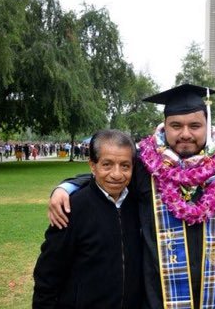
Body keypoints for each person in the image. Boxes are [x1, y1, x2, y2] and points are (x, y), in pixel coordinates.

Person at [48, 84, 215, 309]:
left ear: (207, 125)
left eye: (195, 125)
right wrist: (66, 187)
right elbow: (112, 175)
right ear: (164, 126)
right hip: (159, 299)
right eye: (176, 125)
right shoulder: (146, 164)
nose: (186, 134)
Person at [33, 129, 142, 309]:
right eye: (107, 165)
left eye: (125, 166)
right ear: (92, 165)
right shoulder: (71, 208)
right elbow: (48, 274)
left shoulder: (138, 204)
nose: (116, 174)